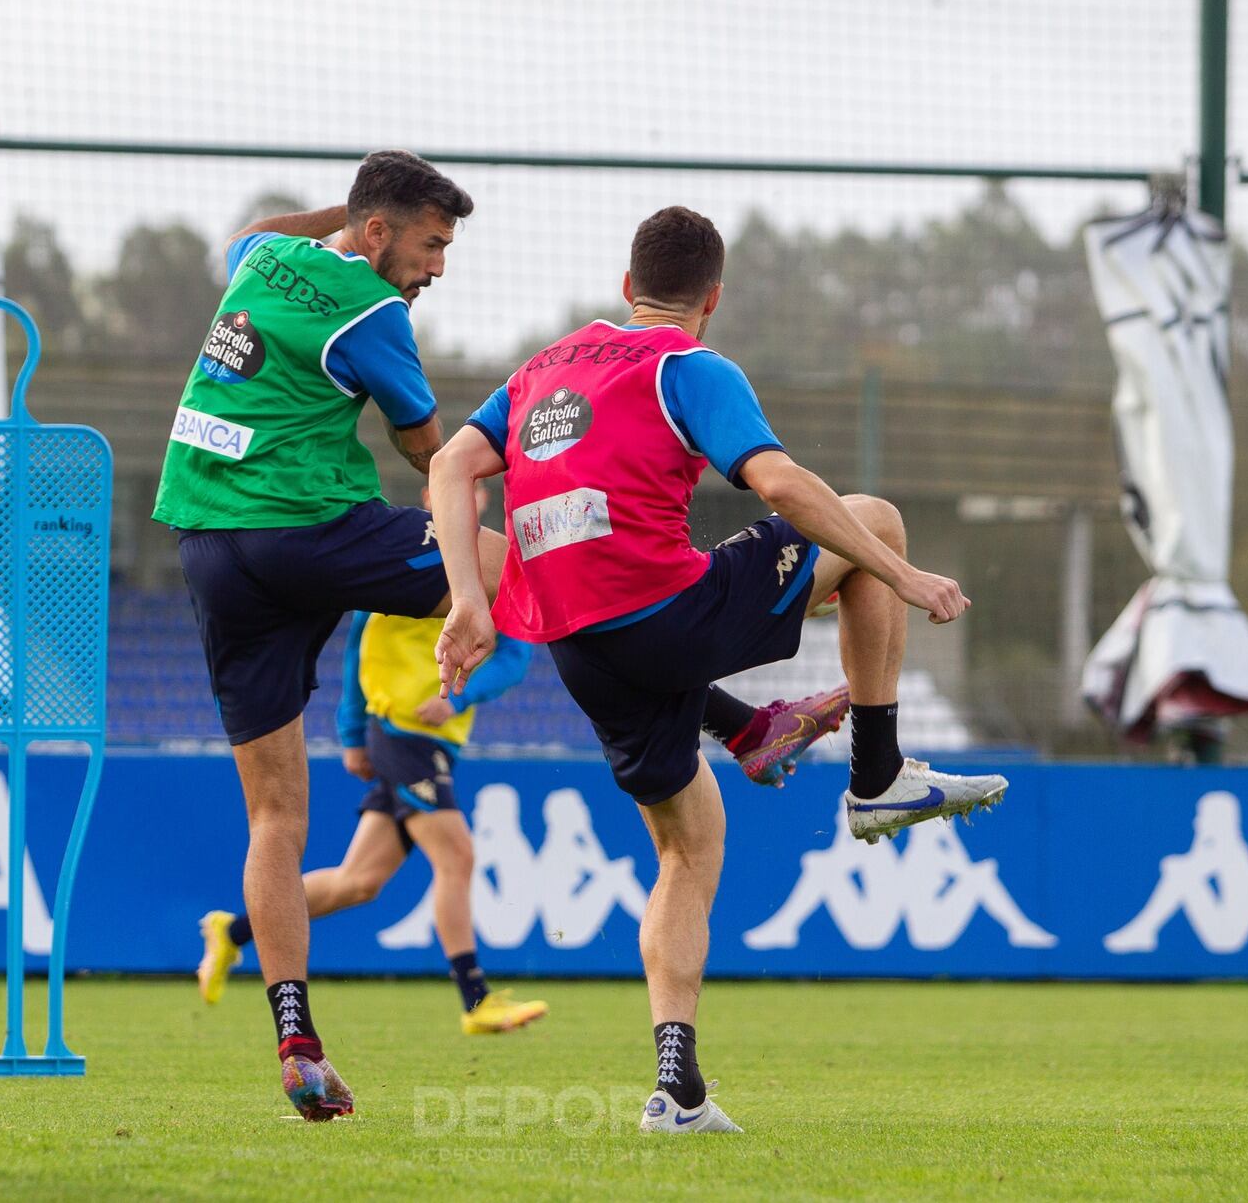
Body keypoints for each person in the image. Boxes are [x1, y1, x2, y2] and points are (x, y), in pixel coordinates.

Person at [156, 160, 833, 1121]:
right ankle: (739, 722)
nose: (437, 268)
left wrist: (344, 221)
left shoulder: (259, 262)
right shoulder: (375, 317)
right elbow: (431, 451)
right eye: (431, 243)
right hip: (311, 528)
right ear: (382, 232)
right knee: (537, 564)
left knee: (274, 815)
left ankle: (296, 1035)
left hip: (206, 543)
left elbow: (267, 225)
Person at [428, 205, 1011, 1133]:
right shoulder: (690, 365)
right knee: (878, 522)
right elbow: (779, 483)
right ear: (713, 299)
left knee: (688, 845)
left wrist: (468, 596)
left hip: (579, 646)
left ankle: (679, 1087)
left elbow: (453, 464)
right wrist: (904, 578)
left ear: (626, 289)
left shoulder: (542, 369)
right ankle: (877, 774)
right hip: (666, 613)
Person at [196, 484, 552, 1036]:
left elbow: (515, 656)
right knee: (456, 856)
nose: (468, 495)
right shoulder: (398, 559)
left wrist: (459, 695)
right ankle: (476, 1000)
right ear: (431, 494)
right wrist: (354, 736)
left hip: (437, 737)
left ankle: (232, 931)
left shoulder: (486, 566)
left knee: (358, 882)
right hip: (400, 731)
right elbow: (360, 648)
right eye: (459, 484)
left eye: (478, 487)